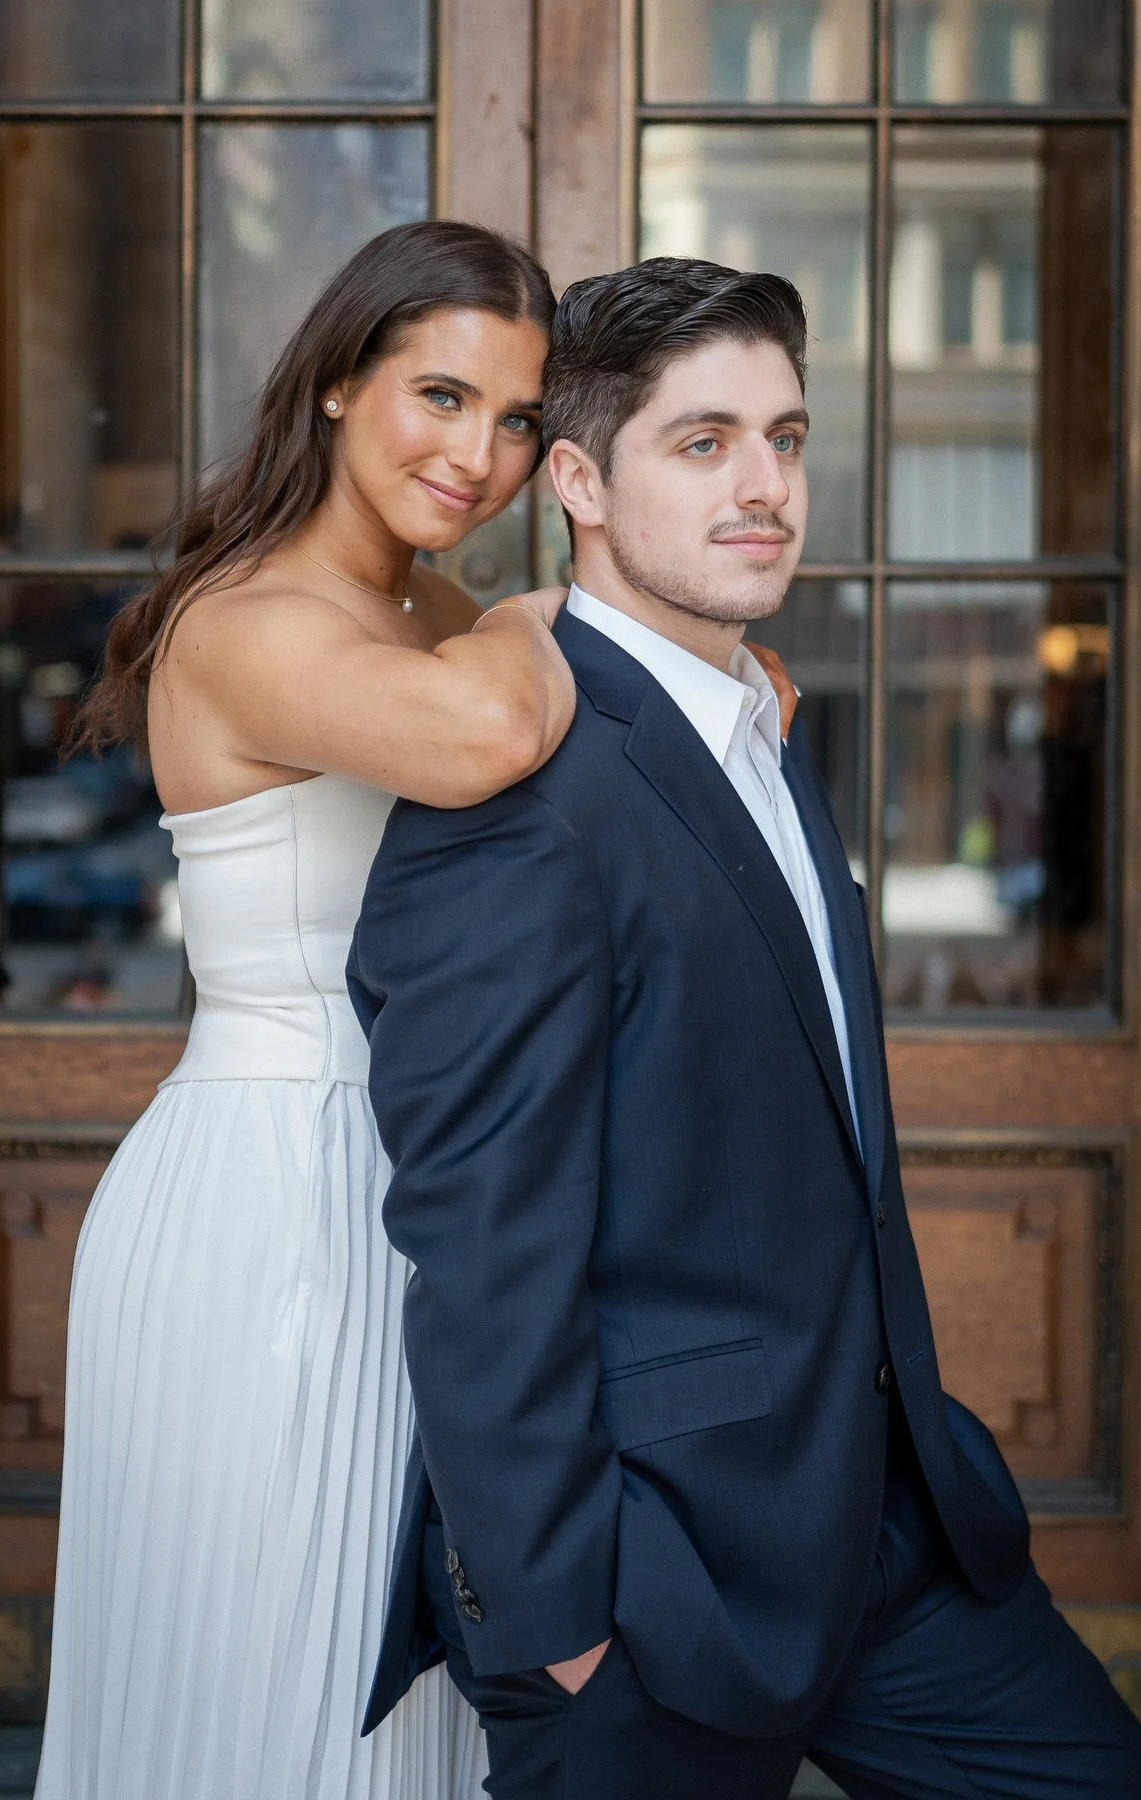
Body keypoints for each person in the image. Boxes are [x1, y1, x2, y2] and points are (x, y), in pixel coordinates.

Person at [348, 257, 1141, 1799]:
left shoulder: (763, 727)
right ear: (576, 477)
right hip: (661, 1581)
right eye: (702, 443)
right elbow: (481, 1248)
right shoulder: (513, 798)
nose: (765, 484)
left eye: (783, 437)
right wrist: (562, 1627)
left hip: (899, 1536)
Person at [34, 219, 574, 1800]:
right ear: (341, 383)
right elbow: (486, 737)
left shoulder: (439, 606)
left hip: (427, 1188)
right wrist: (568, 616)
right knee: (270, 1675)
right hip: (268, 1202)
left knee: (397, 1695)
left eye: (523, 419)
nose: (482, 455)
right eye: (441, 396)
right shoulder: (251, 620)